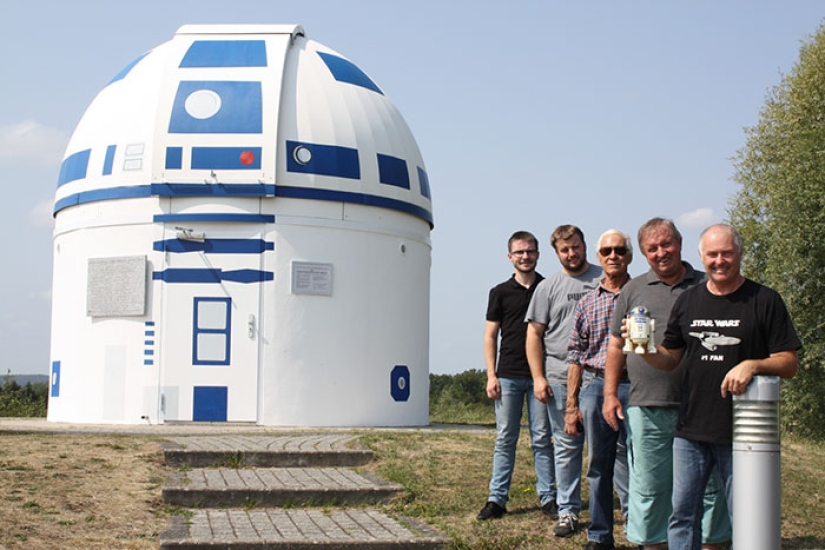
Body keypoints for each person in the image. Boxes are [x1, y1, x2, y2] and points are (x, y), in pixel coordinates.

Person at [636, 223, 801, 550]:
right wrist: (646, 349)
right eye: (712, 254)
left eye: (727, 253)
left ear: (740, 253)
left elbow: (789, 362)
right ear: (702, 256)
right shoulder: (687, 301)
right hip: (691, 428)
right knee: (682, 515)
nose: (720, 261)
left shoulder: (765, 300)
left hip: (743, 432)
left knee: (748, 516)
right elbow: (671, 359)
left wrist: (753, 364)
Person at [602, 218, 731, 550]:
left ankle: (710, 544)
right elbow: (616, 344)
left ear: (680, 242)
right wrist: (610, 394)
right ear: (644, 253)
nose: (661, 252)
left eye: (667, 244)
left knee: (710, 489)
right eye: (652, 248)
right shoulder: (634, 289)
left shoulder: (707, 283)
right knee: (650, 488)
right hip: (648, 404)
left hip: (703, 407)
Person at [526, 224, 602, 538]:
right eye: (564, 250)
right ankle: (568, 511)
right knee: (567, 448)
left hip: (601, 378)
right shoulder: (547, 288)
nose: (571, 254)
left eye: (575, 247)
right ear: (557, 253)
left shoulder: (604, 279)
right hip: (559, 379)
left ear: (585, 246)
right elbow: (534, 334)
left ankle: (620, 510)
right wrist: (538, 378)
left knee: (609, 449)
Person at [477, 231, 557, 521]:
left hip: (541, 376)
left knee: (542, 439)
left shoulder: (549, 288)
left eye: (530, 251)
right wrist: (491, 375)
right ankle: (496, 500)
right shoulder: (499, 292)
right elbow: (490, 336)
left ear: (537, 254)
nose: (526, 256)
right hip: (508, 374)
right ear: (510, 256)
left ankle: (549, 498)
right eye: (520, 252)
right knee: (505, 439)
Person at [566, 229, 633, 550]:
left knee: (641, 462)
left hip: (637, 385)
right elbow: (576, 356)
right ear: (599, 257)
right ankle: (600, 535)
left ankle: (641, 531)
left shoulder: (642, 295)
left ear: (629, 255)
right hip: (595, 386)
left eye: (619, 250)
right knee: (598, 464)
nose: (613, 256)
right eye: (606, 250)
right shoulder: (587, 302)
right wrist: (571, 405)